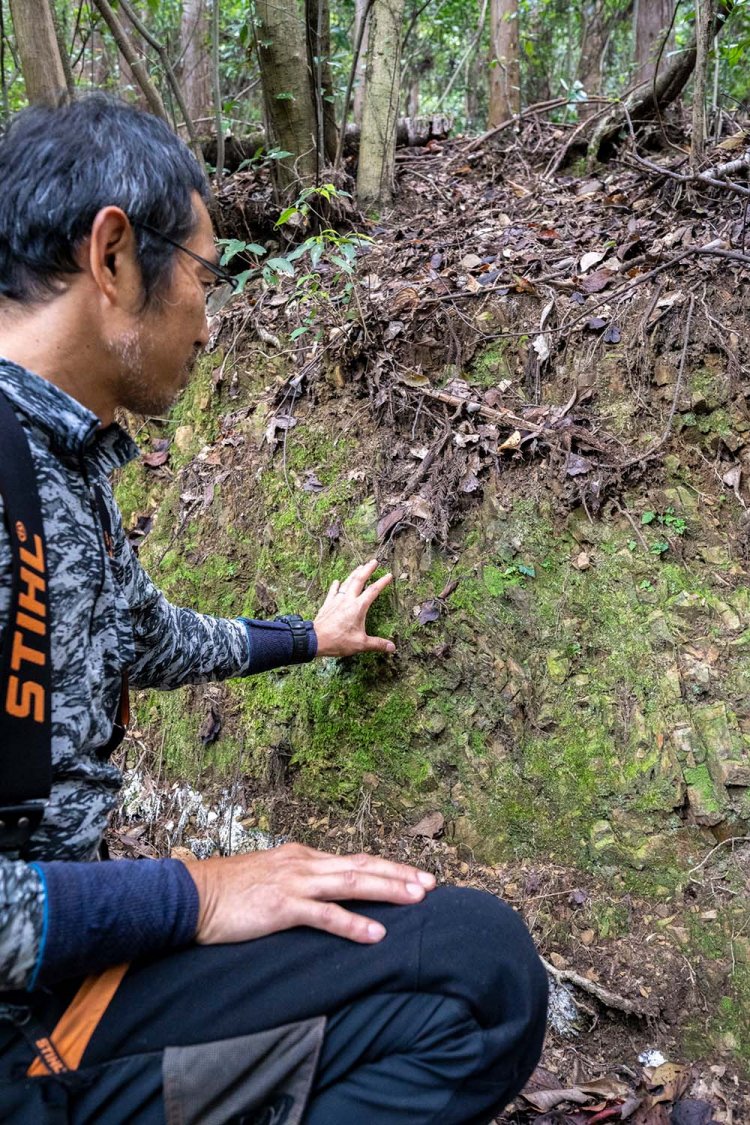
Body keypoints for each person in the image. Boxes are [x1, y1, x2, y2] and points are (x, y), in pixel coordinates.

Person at [0, 95, 548, 1124]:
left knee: (458, 952)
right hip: (28, 1019)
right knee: (478, 982)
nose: (211, 318)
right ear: (113, 256)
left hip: (71, 964)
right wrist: (196, 894)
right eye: (206, 277)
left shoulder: (55, 462)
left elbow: (143, 637)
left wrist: (312, 636)